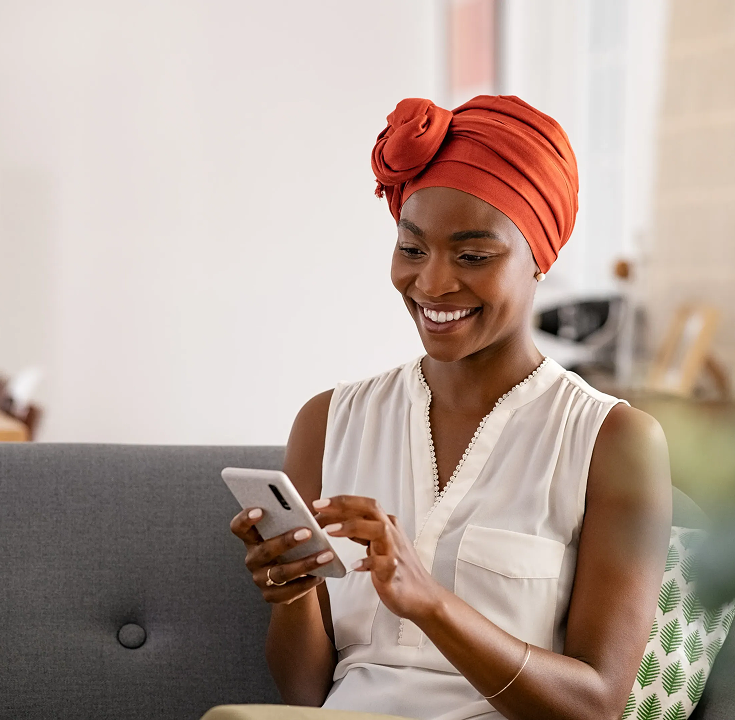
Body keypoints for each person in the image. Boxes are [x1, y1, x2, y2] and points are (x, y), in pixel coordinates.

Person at [229, 95, 672, 720]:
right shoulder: (328, 423)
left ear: (540, 258)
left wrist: (432, 603)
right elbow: (304, 695)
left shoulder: (611, 440)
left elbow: (596, 706)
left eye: (472, 256)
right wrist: (291, 596)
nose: (433, 284)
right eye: (412, 250)